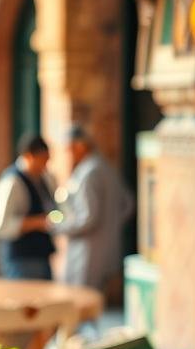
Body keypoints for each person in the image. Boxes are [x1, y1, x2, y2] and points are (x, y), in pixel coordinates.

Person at [50, 124, 135, 290]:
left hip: (87, 254)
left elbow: (87, 218)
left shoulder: (89, 173)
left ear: (80, 146)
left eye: (70, 148)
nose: (68, 154)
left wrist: (57, 226)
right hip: (106, 248)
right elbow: (128, 204)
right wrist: (112, 225)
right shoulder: (105, 167)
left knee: (83, 298)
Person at [0, 132, 57, 280]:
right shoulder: (12, 182)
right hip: (20, 258)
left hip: (42, 254)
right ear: (29, 156)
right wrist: (37, 222)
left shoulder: (44, 179)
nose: (45, 165)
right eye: (42, 160)